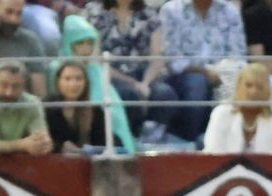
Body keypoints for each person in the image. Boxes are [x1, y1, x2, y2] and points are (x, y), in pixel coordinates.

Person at [82, 0, 179, 140]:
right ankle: (129, 139)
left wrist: (145, 83)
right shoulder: (94, 12)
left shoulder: (149, 13)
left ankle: (152, 139)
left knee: (165, 94)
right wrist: (131, 83)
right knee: (128, 95)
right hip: (109, 74)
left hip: (143, 73)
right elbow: (95, 59)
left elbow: (157, 57)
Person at [161, 0, 247, 142]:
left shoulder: (230, 11)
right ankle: (193, 140)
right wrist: (205, 72)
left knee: (243, 80)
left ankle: (230, 139)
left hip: (223, 72)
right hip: (183, 75)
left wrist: (222, 71)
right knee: (197, 83)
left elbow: (238, 55)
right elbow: (173, 60)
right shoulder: (171, 10)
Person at [52, 14, 135, 150]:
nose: (86, 49)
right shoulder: (56, 68)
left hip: (100, 126)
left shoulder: (96, 69)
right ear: (69, 42)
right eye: (80, 43)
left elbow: (115, 106)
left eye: (90, 43)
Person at [203, 57, 272, 148]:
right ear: (238, 87)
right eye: (248, 85)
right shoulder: (221, 114)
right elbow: (213, 155)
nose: (253, 92)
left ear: (267, 92)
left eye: (260, 87)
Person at [46, 56, 106, 149]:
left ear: (86, 82)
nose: (73, 84)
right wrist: (60, 147)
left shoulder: (95, 111)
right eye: (67, 79)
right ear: (58, 81)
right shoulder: (47, 106)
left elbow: (103, 143)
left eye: (79, 79)